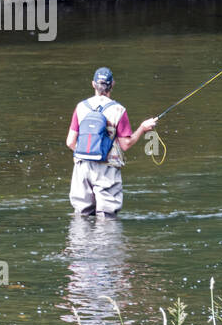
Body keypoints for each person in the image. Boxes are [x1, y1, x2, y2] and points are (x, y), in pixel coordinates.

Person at [65, 67, 158, 218]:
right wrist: (142, 128)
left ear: (93, 84)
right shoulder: (118, 110)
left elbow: (70, 142)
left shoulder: (81, 107)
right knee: (106, 218)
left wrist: (88, 154)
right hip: (107, 168)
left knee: (81, 217)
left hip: (82, 167)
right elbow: (125, 144)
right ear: (112, 84)